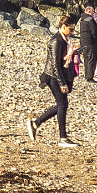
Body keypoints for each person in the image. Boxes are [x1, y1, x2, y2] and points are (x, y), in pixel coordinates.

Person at [29, 17, 78, 148]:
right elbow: (55, 64)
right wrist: (62, 83)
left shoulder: (65, 40)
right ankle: (63, 138)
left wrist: (74, 53)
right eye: (70, 29)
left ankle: (36, 123)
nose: (72, 32)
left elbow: (63, 59)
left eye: (73, 29)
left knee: (62, 105)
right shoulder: (56, 41)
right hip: (53, 76)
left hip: (60, 75)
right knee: (62, 105)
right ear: (63, 27)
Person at [76, 5, 97, 83]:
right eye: (92, 11)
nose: (93, 13)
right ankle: (89, 77)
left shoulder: (82, 20)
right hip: (91, 42)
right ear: (89, 11)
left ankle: (87, 75)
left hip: (83, 42)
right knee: (92, 59)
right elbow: (94, 31)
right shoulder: (90, 19)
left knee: (86, 59)